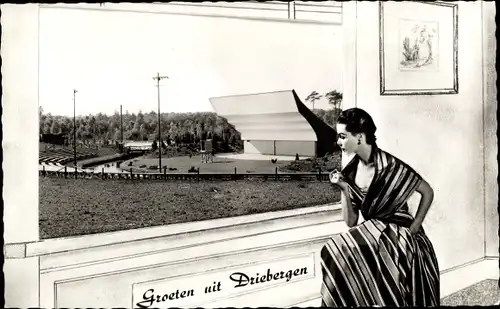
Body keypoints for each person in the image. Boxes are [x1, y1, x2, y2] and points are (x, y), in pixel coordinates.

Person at [321, 108, 439, 307]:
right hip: (373, 229)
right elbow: (351, 222)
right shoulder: (349, 172)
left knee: (387, 257)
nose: (339, 142)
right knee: (333, 249)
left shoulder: (390, 165)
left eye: (343, 136)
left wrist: (415, 227)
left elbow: (427, 192)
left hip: (401, 230)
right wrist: (343, 187)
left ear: (359, 136)